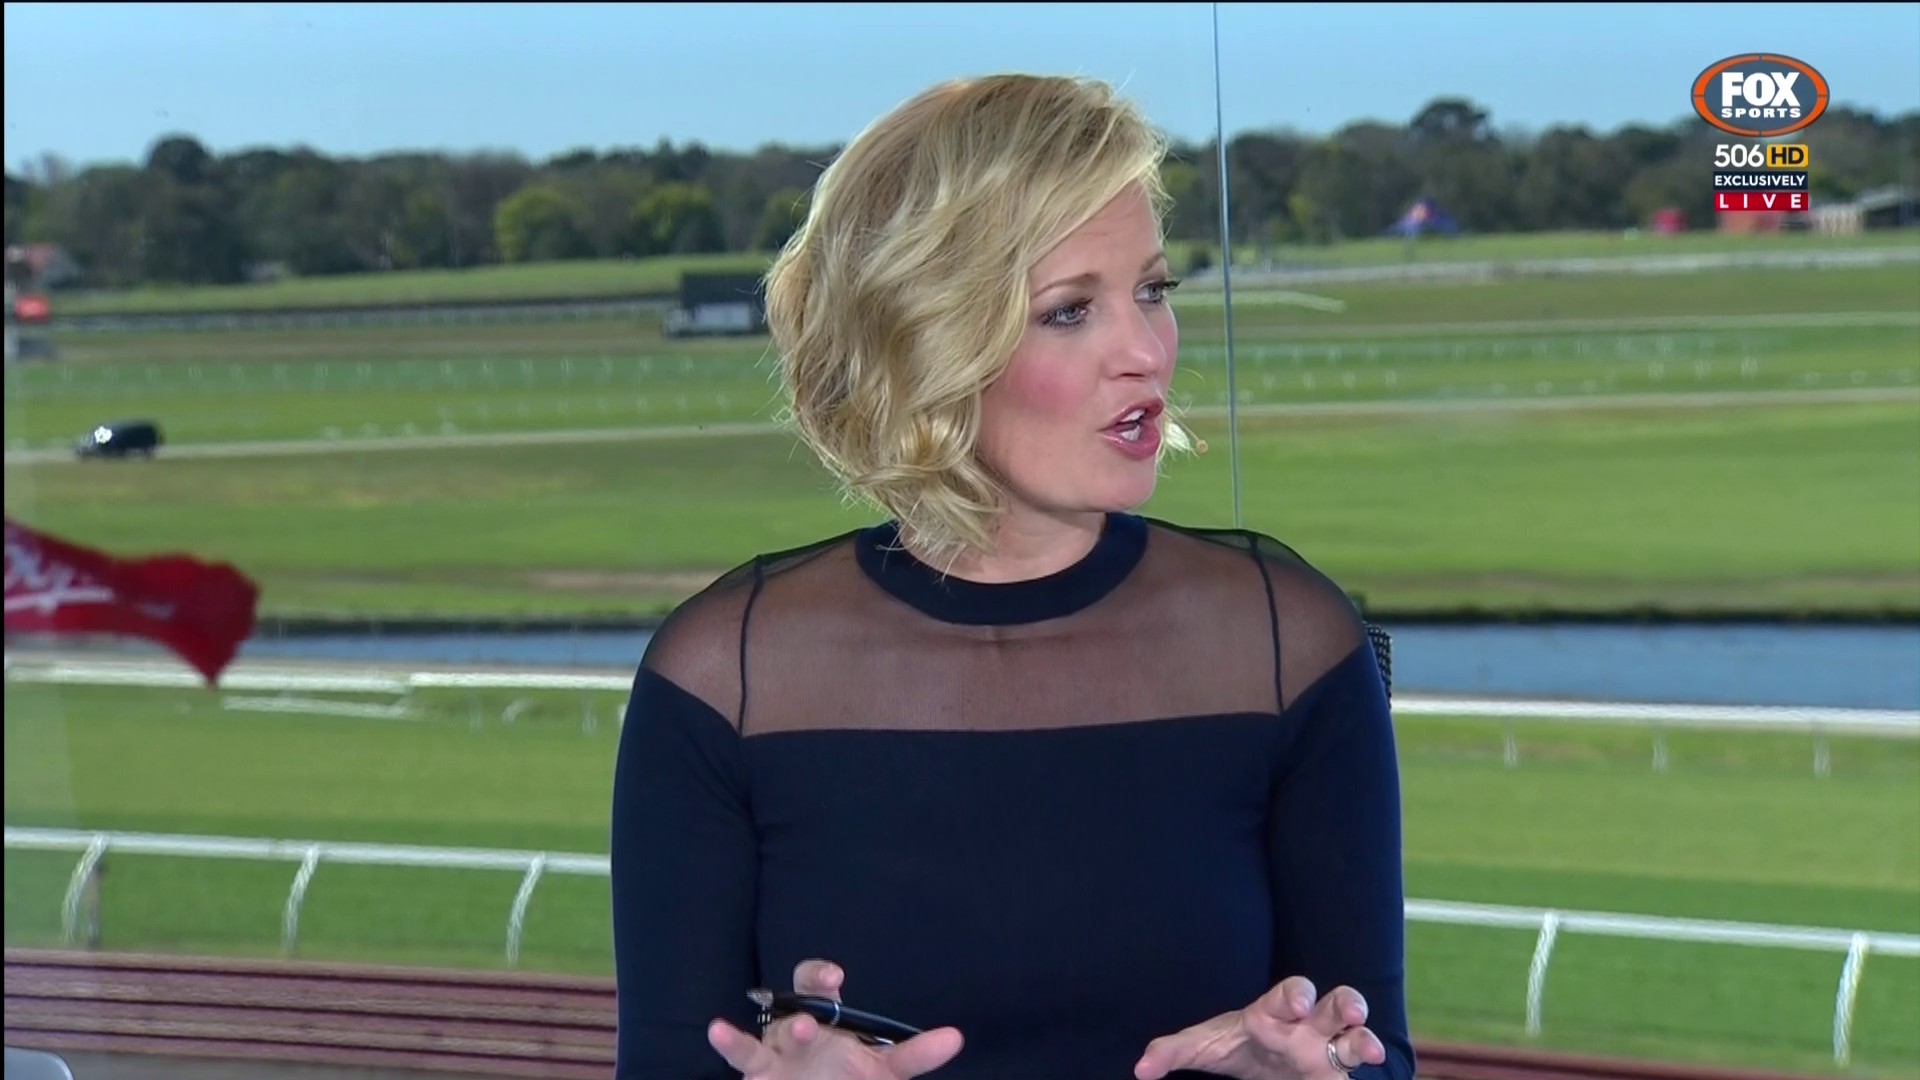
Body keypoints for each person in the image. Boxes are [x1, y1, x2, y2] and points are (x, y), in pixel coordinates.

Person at [610, 72, 1414, 1080]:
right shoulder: (722, 681)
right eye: (1070, 310)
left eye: (1153, 291)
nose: (1147, 351)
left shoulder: (1288, 645)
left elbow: (1377, 1054)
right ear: (926, 343)